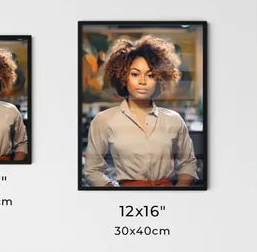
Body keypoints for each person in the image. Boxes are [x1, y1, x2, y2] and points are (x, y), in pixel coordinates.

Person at [82, 35, 197, 188]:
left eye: (150, 75)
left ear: (159, 79)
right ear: (123, 77)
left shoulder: (173, 120)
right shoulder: (104, 120)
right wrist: (115, 194)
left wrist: (177, 193)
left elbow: (188, 162)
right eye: (135, 74)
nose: (143, 81)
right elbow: (92, 169)